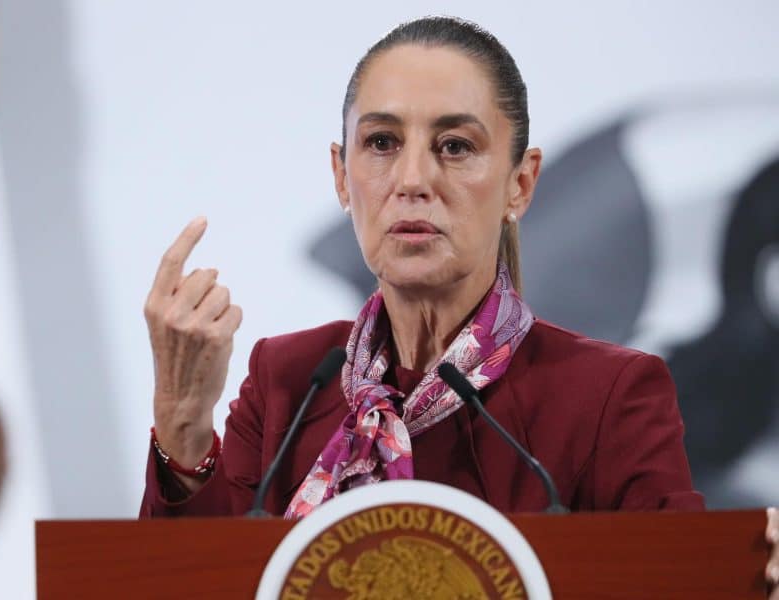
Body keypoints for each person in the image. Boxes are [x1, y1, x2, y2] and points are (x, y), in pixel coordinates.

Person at [137, 16, 778, 592]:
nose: (413, 180)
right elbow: (189, 585)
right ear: (341, 176)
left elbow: (684, 585)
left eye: (456, 147)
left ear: (519, 184)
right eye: (382, 143)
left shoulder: (610, 394)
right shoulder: (291, 380)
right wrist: (182, 419)